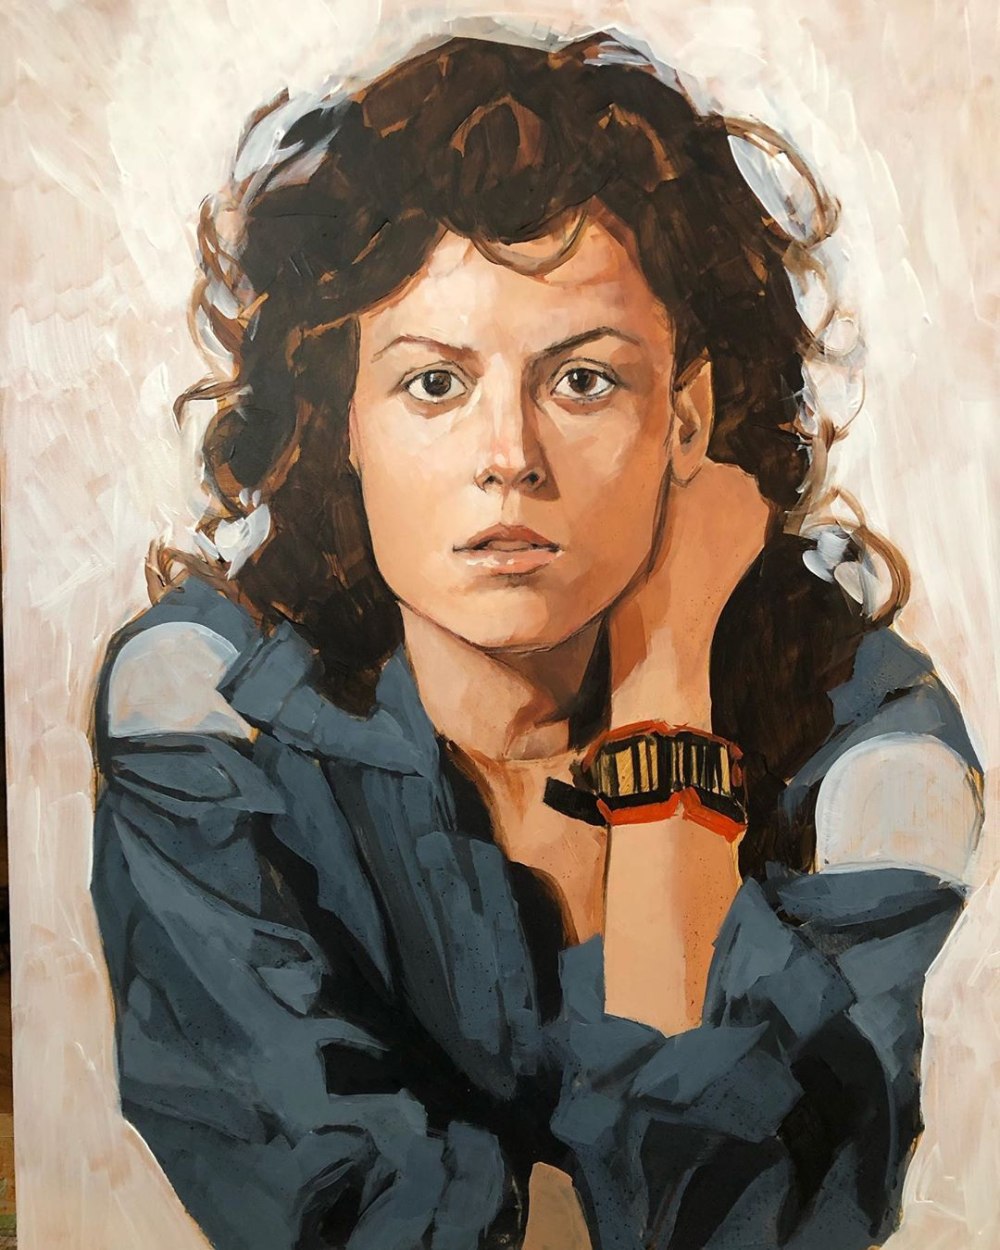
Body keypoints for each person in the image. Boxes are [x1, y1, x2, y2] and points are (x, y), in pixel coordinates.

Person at [90, 31, 983, 1250]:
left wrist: (668, 692)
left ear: (687, 415)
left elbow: (744, 1220)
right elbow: (324, 1201)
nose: (508, 456)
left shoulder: (868, 751)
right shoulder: (208, 706)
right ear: (340, 416)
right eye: (434, 384)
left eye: (582, 381)